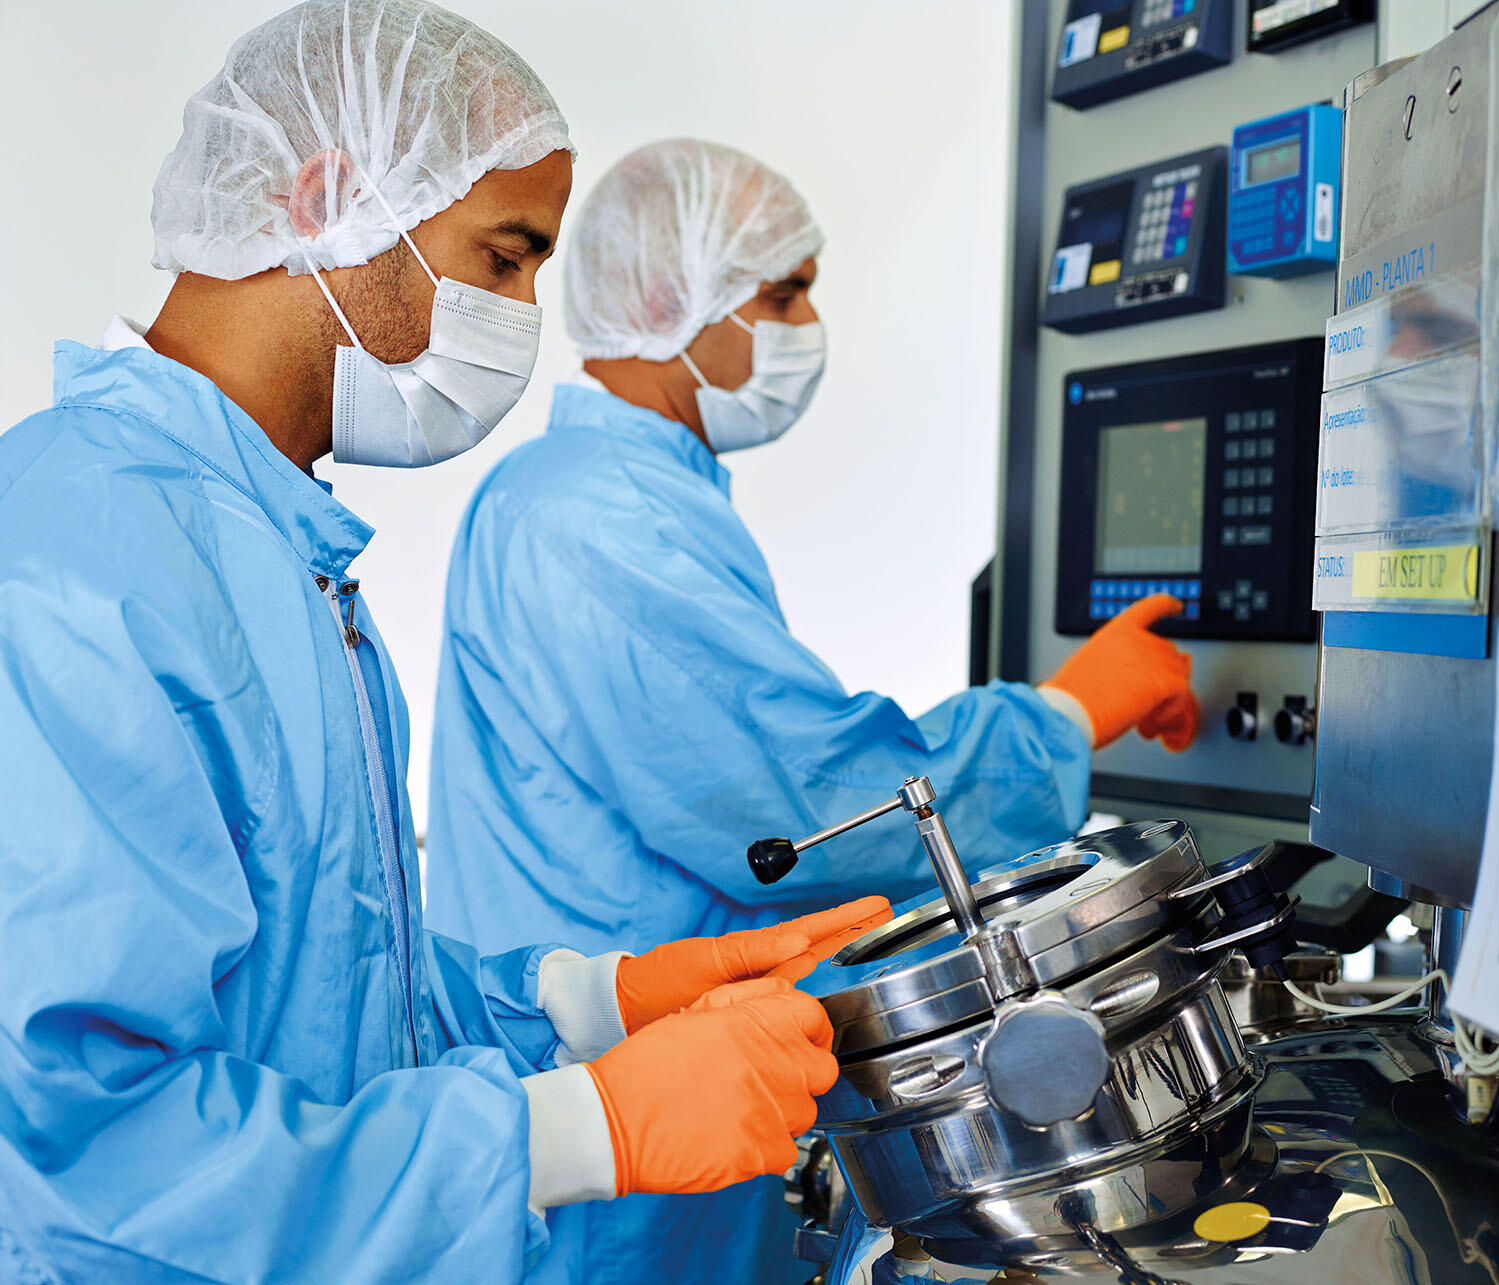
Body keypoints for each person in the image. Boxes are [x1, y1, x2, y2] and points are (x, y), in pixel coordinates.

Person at [0, 9, 881, 1282]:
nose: (527, 315)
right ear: (328, 199)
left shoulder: (271, 552)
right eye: (506, 255)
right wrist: (586, 1127)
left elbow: (325, 1002)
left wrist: (602, 1002)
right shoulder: (81, 563)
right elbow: (81, 1148)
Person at [426, 138, 1203, 1284]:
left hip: (665, 1113)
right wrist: (1062, 715)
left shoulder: (638, 497)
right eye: (781, 292)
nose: (806, 325)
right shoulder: (593, 517)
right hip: (611, 1173)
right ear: (666, 300)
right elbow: (797, 805)